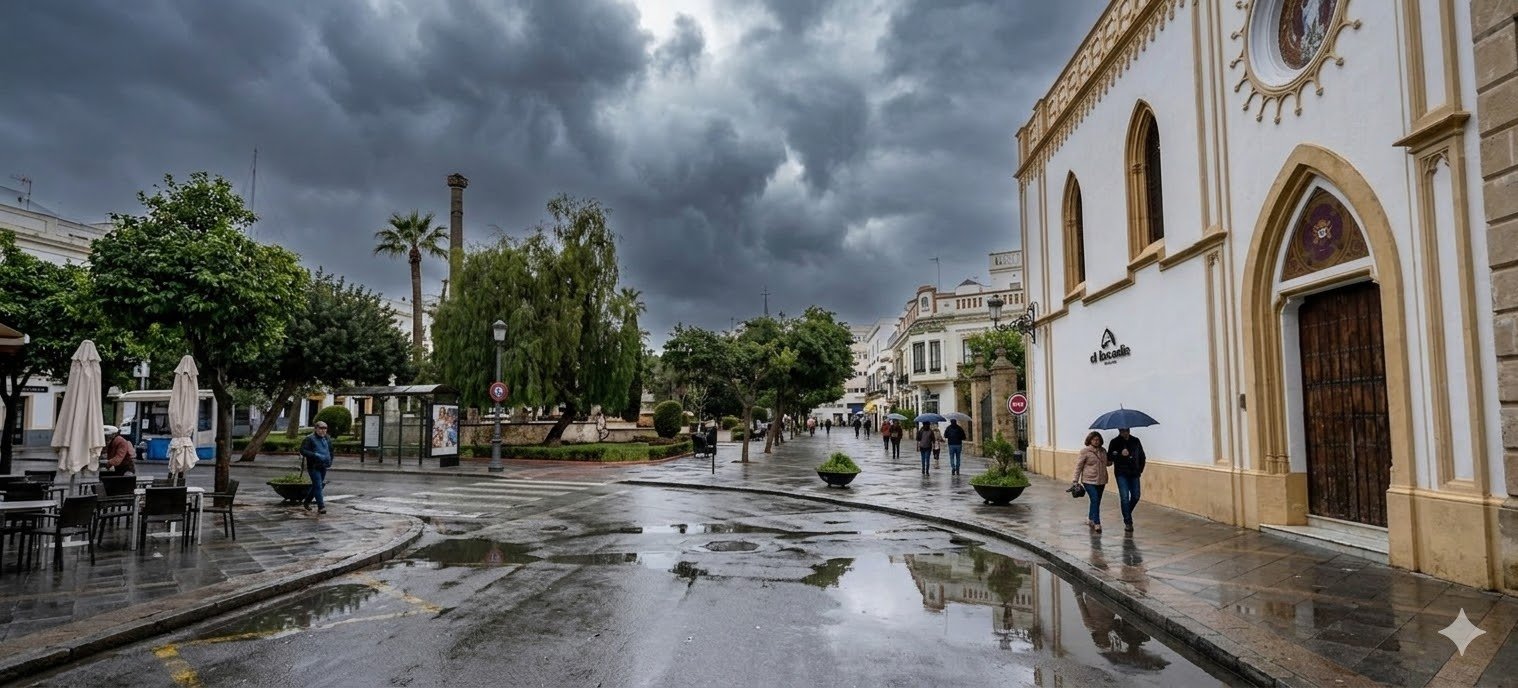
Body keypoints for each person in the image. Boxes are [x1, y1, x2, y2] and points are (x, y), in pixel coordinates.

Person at [1107, 427, 1147, 533]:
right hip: (1121, 473)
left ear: (1129, 430)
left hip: (1134, 473)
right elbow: (1110, 457)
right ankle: (1128, 522)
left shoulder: (1135, 441)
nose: (1124, 432)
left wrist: (1140, 470)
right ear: (1119, 431)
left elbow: (1142, 456)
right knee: (1124, 497)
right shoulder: (1114, 442)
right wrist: (1120, 454)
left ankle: (1126, 512)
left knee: (1136, 496)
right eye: (1122, 431)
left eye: (1126, 430)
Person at [1073, 431, 1111, 533]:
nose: (1096, 441)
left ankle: (1090, 518)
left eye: (1098, 439)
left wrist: (1113, 458)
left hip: (1101, 480)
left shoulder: (1103, 451)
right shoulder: (1085, 451)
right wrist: (1075, 480)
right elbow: (1078, 466)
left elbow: (1107, 463)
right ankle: (1097, 523)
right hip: (1088, 480)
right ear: (1090, 440)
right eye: (1094, 439)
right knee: (1095, 499)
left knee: (1096, 501)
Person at [300, 420, 333, 514]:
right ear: (316, 429)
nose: (323, 430)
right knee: (318, 485)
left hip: (324, 465)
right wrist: (315, 455)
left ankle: (307, 501)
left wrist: (330, 460)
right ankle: (321, 507)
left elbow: (331, 451)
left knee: (317, 486)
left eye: (325, 428)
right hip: (313, 466)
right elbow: (303, 450)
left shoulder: (327, 438)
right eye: (321, 428)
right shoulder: (309, 439)